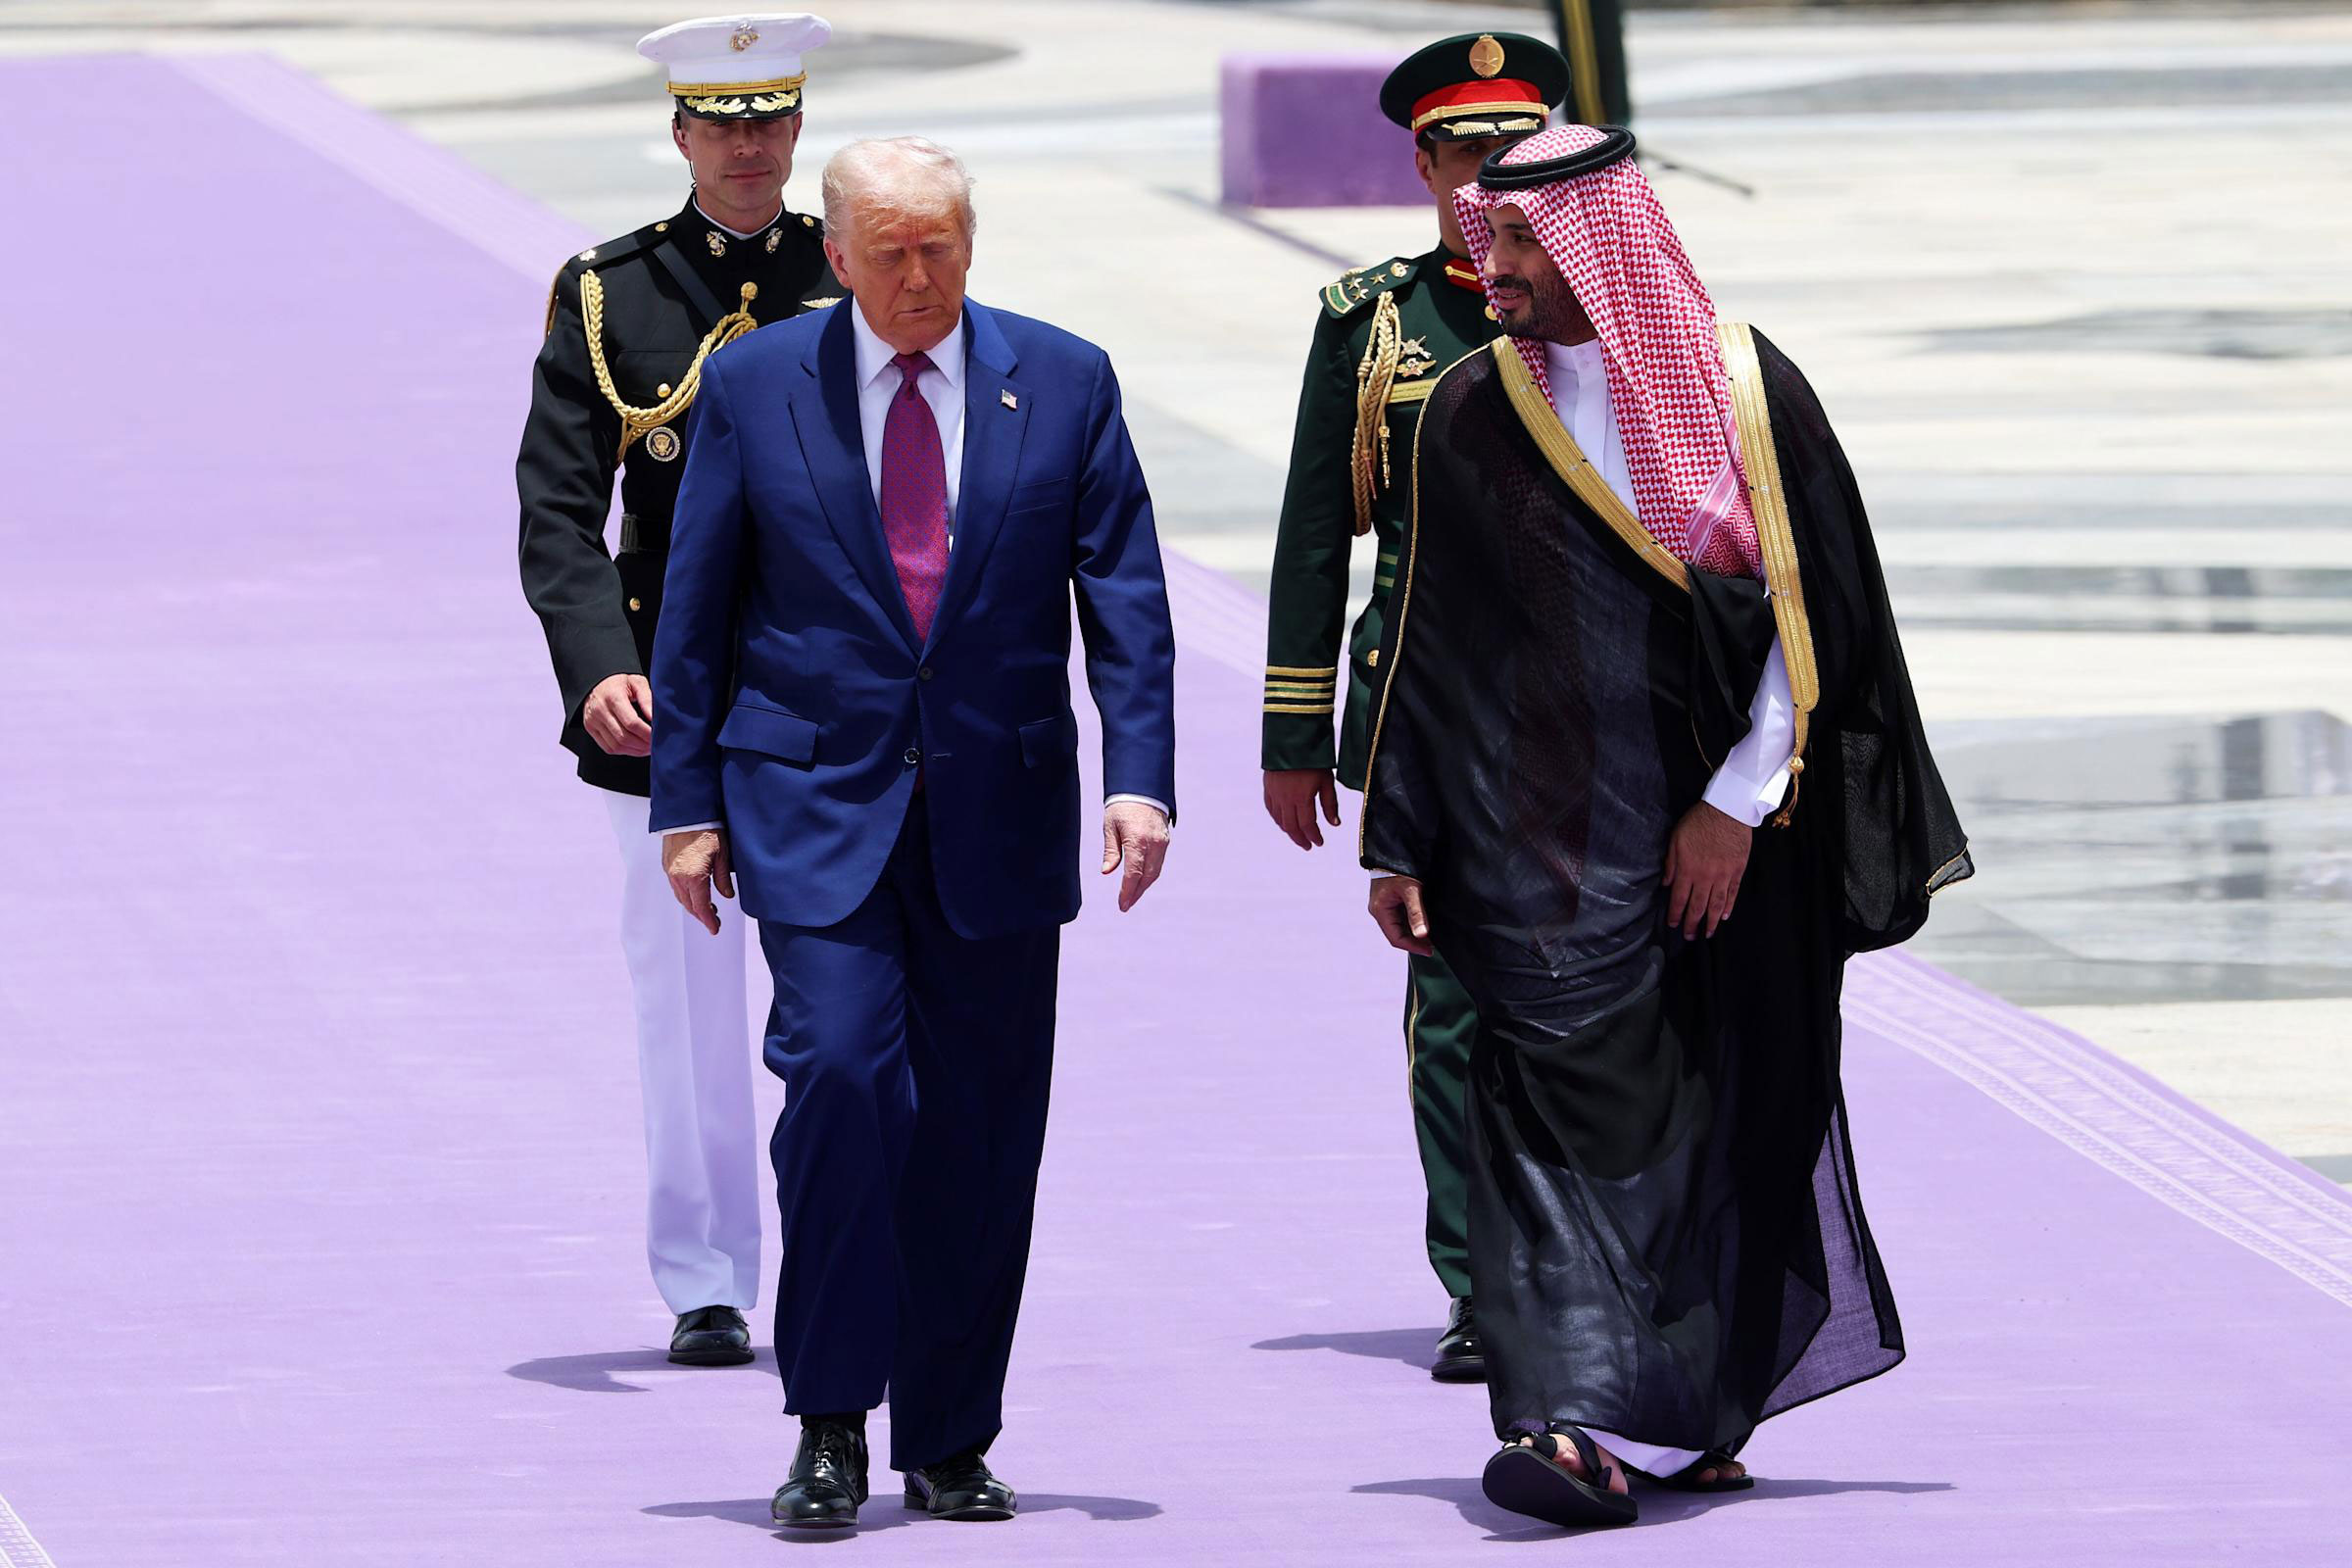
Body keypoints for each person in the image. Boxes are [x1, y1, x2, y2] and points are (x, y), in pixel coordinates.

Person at [1358, 123, 1973, 1529]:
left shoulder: (1748, 392)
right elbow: (1433, 643)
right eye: (1490, 237)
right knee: (1544, 1102)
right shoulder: (1472, 405)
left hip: (1734, 837)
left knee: (1731, 1110)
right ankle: (1564, 1420)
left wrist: (1729, 809)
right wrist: (1399, 836)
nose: (1494, 265)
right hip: (1539, 842)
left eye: (1524, 241)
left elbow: (1817, 622)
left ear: (1602, 251)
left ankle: (1692, 1412)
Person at [651, 136, 1178, 1530]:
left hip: (1000, 813)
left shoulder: (1064, 378)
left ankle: (948, 1434)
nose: (917, 275)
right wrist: (688, 806)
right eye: (887, 252)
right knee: (838, 1082)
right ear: (835, 255)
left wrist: (1141, 780)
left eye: (939, 245)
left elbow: (1125, 596)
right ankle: (829, 1422)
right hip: (812, 805)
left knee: (979, 1130)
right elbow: (696, 609)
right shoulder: (758, 384)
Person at [515, 13, 844, 1369]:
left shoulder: (857, 268)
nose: (748, 148)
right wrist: (601, 663)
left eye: (769, 121)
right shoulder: (614, 292)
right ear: (681, 133)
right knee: (689, 991)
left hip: (834, 684)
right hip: (670, 692)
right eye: (722, 123)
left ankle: (848, 1249)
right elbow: (557, 510)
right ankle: (707, 1275)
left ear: (798, 127)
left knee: (850, 986)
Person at [1259, 30, 1571, 1383]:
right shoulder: (1377, 322)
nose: (1486, 179)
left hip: (1590, 712)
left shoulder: (1607, 303)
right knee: (1450, 1004)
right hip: (1430, 711)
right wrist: (1295, 733)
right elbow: (1313, 534)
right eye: (1463, 155)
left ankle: (1586, 1258)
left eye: (1513, 151)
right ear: (1424, 165)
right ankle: (1479, 1281)